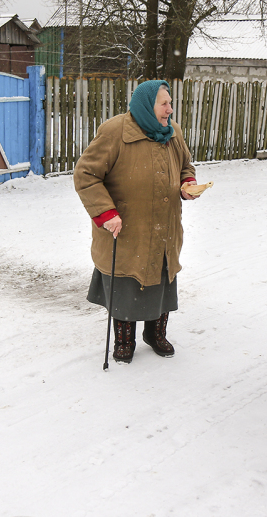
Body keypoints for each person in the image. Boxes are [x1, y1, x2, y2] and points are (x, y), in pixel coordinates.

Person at [74, 80, 199, 364]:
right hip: (127, 228)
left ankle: (155, 334)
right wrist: (106, 212)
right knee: (127, 285)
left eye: (170, 102)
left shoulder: (173, 132)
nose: (170, 109)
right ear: (146, 105)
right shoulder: (115, 131)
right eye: (164, 104)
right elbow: (86, 175)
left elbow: (185, 165)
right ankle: (124, 341)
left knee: (162, 279)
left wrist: (186, 183)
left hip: (165, 226)